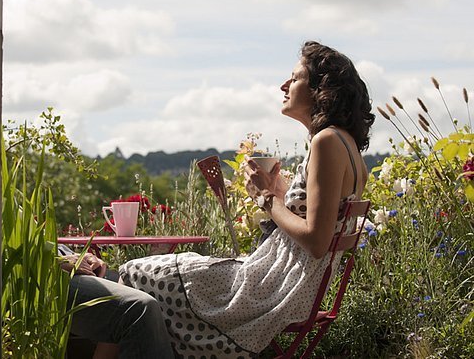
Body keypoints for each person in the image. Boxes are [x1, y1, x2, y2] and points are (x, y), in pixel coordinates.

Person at [118, 41, 375, 358]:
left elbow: (317, 239)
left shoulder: (326, 141)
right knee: (168, 271)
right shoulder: (345, 144)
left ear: (321, 89)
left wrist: (266, 198)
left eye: (294, 78)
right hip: (287, 284)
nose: (284, 85)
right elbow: (318, 221)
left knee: (134, 274)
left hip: (272, 288)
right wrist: (280, 192)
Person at [59, 246, 174, 359]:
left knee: (134, 281)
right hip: (52, 273)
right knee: (139, 308)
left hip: (64, 261)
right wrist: (59, 262)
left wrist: (83, 258)